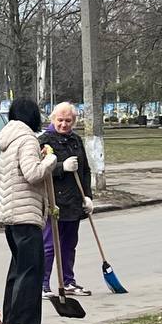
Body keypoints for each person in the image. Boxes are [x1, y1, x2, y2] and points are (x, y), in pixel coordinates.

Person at [0, 97, 57, 324]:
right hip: (26, 214)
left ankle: (10, 319)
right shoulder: (28, 139)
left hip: (11, 215)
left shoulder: (8, 141)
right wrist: (50, 161)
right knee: (32, 269)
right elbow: (32, 174)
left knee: (18, 269)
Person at [39, 102, 93, 297]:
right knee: (49, 245)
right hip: (53, 201)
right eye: (60, 120)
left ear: (74, 121)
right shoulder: (44, 141)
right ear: (53, 119)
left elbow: (85, 171)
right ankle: (43, 284)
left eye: (68, 121)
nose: (63, 124)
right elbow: (38, 171)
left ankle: (68, 282)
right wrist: (61, 166)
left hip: (73, 201)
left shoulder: (76, 140)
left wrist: (87, 196)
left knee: (69, 245)